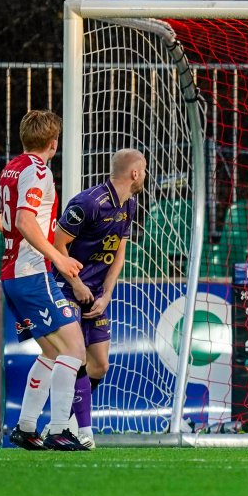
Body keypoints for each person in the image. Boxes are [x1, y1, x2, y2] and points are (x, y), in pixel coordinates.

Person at [0, 110, 87, 451]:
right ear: (53, 144)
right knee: (75, 349)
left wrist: (17, 239)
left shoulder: (11, 168)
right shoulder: (38, 172)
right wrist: (57, 257)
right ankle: (58, 429)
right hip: (32, 275)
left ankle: (26, 427)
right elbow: (26, 222)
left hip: (13, 276)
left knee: (52, 352)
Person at [52, 148, 147, 449]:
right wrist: (77, 284)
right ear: (134, 173)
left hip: (96, 295)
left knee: (100, 365)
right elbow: (58, 245)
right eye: (143, 169)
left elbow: (119, 255)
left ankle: (64, 423)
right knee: (76, 357)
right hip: (68, 288)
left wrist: (105, 295)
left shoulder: (129, 205)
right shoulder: (87, 203)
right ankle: (82, 431)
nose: (145, 174)